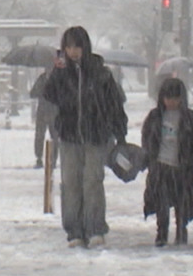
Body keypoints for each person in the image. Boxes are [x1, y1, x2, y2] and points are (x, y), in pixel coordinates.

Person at [41, 26, 128, 249]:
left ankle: (95, 228)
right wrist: (57, 72)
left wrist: (120, 133)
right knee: (71, 183)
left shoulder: (100, 73)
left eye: (77, 46)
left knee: (92, 182)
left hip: (96, 136)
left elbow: (114, 104)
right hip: (69, 136)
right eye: (68, 47)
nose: (73, 51)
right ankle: (75, 231)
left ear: (85, 46)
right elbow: (49, 94)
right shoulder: (61, 72)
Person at [141, 77, 193, 247]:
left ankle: (181, 231)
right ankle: (161, 233)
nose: (171, 102)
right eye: (168, 98)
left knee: (183, 203)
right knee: (161, 203)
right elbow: (147, 140)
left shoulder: (191, 119)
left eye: (175, 98)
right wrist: (146, 159)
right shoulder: (154, 117)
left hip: (184, 168)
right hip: (161, 167)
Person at [29, 60, 59, 169]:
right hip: (42, 111)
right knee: (39, 135)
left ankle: (53, 159)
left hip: (54, 112)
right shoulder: (41, 79)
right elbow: (32, 93)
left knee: (55, 136)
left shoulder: (58, 80)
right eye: (47, 68)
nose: (48, 70)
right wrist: (41, 91)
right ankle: (39, 158)